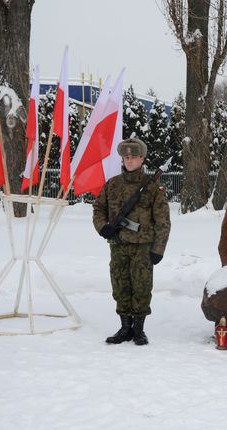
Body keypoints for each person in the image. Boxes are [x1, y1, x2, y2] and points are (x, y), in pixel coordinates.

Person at [93, 137, 171, 346]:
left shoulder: (152, 188)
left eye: (133, 157)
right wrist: (103, 228)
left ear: (142, 159)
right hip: (118, 245)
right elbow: (99, 209)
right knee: (120, 285)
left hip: (143, 247)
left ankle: (139, 330)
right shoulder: (112, 184)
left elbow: (163, 221)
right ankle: (124, 327)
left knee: (142, 287)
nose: (129, 161)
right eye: (126, 157)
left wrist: (158, 249)